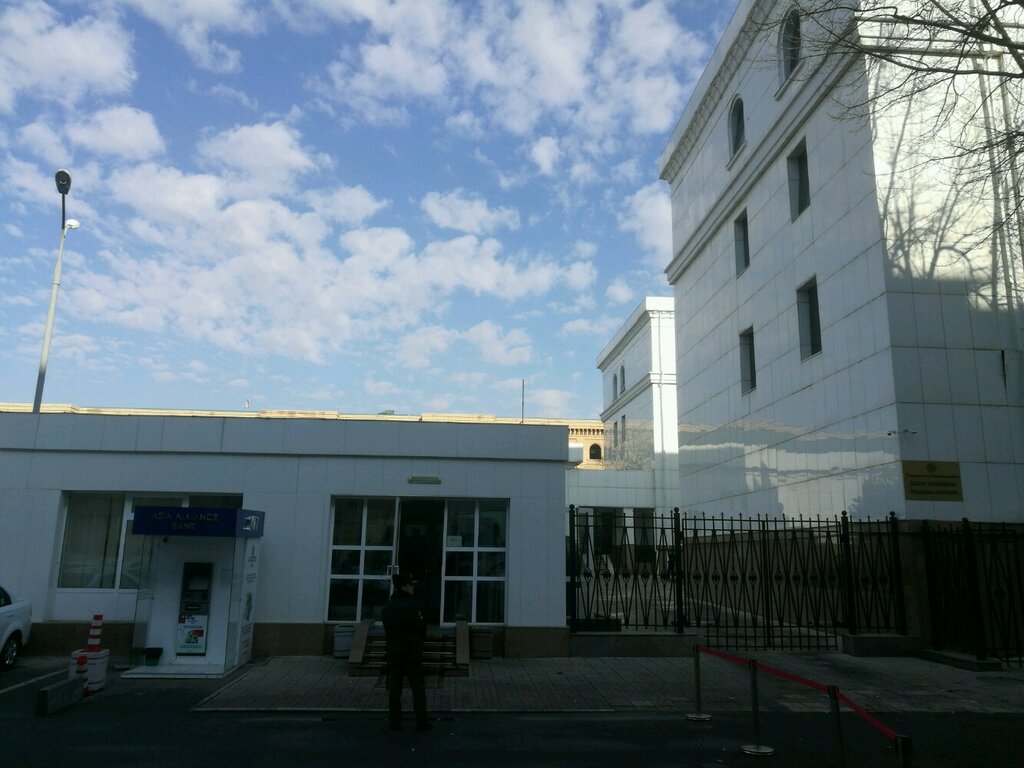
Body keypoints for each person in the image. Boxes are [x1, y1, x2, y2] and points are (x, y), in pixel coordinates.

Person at [381, 572, 431, 731]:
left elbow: (387, 631)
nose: (412, 588)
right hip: (412, 653)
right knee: (418, 688)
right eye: (410, 585)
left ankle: (395, 722)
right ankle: (421, 721)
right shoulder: (414, 606)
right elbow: (421, 629)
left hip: (395, 653)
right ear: (404, 587)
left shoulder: (388, 607)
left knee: (395, 690)